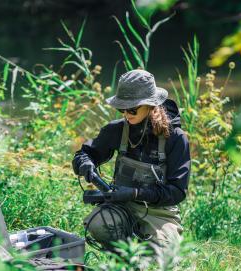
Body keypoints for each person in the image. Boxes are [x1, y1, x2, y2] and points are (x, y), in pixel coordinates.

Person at [72, 69, 191, 252]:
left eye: (132, 108)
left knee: (161, 256)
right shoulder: (117, 130)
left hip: (159, 213)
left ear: (151, 104)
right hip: (120, 206)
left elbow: (177, 192)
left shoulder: (175, 137)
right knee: (97, 224)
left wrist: (135, 193)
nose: (126, 114)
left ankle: (146, 254)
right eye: (122, 108)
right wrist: (85, 163)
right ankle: (122, 258)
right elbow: (85, 153)